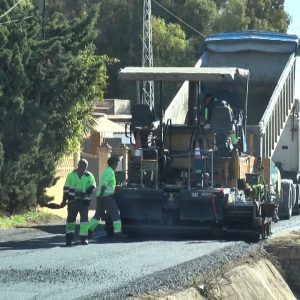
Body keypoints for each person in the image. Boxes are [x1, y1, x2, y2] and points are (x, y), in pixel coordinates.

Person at [60, 159, 96, 246]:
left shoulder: (89, 175)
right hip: (72, 202)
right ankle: (69, 238)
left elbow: (93, 186)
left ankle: (84, 238)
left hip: (84, 202)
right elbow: (66, 188)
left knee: (84, 220)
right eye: (82, 166)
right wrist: (64, 200)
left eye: (85, 166)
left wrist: (87, 192)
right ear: (78, 165)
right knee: (71, 220)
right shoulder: (71, 175)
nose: (84, 168)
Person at [88, 155, 122, 238]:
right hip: (106, 196)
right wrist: (103, 196)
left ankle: (88, 230)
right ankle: (117, 232)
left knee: (97, 215)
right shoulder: (110, 172)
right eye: (117, 163)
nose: (117, 164)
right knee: (115, 214)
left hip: (100, 196)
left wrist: (100, 197)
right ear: (114, 164)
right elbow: (104, 185)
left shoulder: (107, 171)